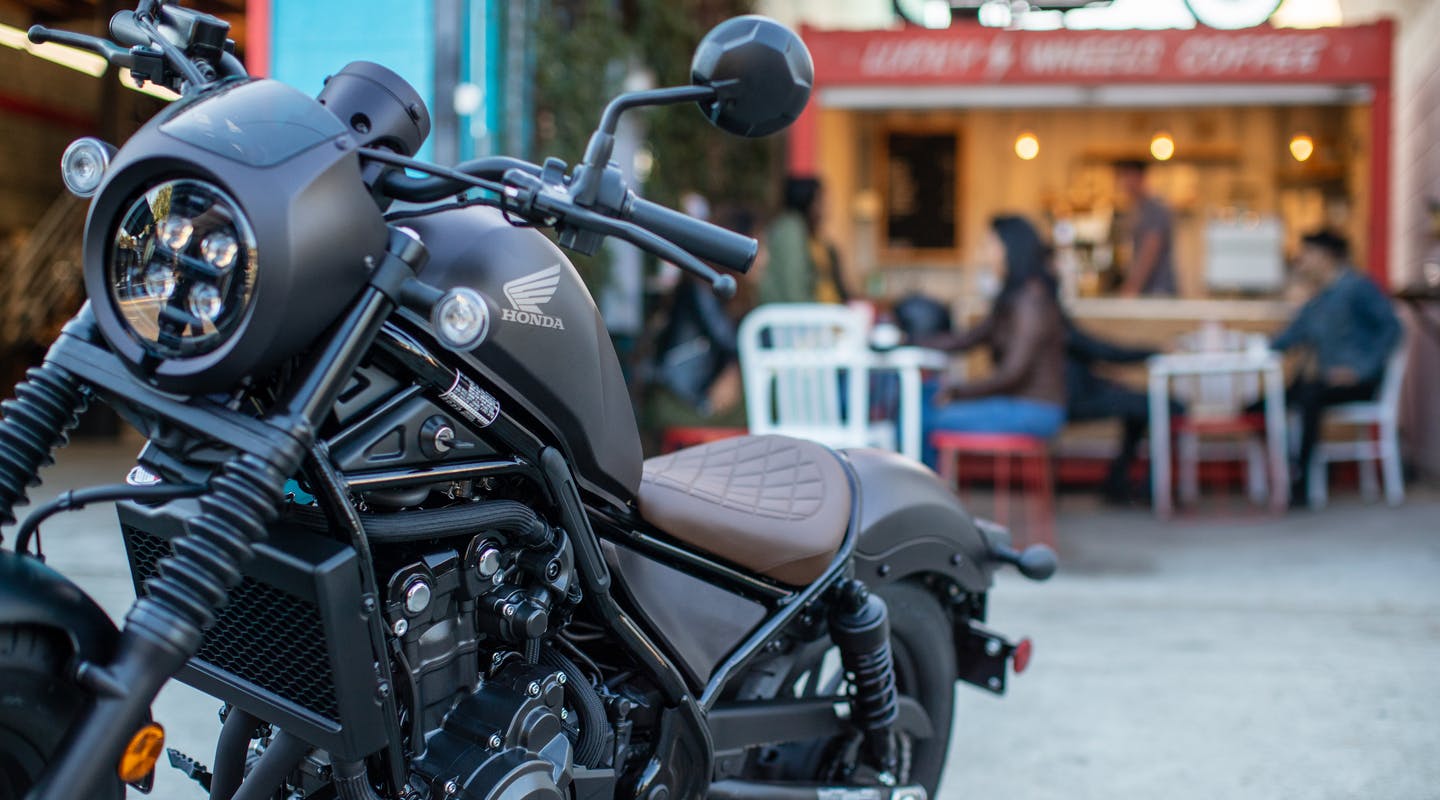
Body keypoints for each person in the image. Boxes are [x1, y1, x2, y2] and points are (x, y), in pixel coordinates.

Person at [920, 215, 1067, 467]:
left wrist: (957, 392)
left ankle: (926, 496)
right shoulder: (1012, 298)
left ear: (1009, 248)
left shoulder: (1030, 300)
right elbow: (965, 340)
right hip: (1016, 404)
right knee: (923, 397)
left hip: (1034, 411)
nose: (984, 254)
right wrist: (907, 340)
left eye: (989, 245)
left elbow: (1012, 374)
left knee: (922, 417)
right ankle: (922, 490)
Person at [1270, 229, 1401, 501]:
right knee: (1268, 403)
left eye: (1306, 254)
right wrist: (1246, 346)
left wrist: (1361, 370)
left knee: (1309, 395)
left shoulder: (1358, 287)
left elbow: (1391, 328)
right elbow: (1289, 337)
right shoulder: (1319, 298)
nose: (1301, 261)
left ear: (1325, 257)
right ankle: (1288, 470)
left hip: (1358, 383)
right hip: (1326, 383)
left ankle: (1302, 481)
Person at [1062, 319, 1168, 504]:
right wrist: (1156, 351)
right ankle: (1147, 489)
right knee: (1163, 406)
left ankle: (1121, 482)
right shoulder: (1049, 316)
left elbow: (1084, 355)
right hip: (1075, 400)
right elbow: (1102, 351)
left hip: (1079, 394)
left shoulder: (1041, 315)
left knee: (1144, 408)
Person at [760, 176, 848, 305]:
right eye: (820, 201)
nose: (825, 208)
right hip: (798, 318)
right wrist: (814, 316)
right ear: (806, 201)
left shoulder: (810, 235)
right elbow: (794, 291)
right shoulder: (790, 231)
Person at [1115, 159, 1176, 297]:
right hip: (1151, 291)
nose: (1123, 184)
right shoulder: (1139, 209)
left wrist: (1132, 287)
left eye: (1126, 177)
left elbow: (1151, 248)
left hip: (1159, 292)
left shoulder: (1154, 208)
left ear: (1138, 177)